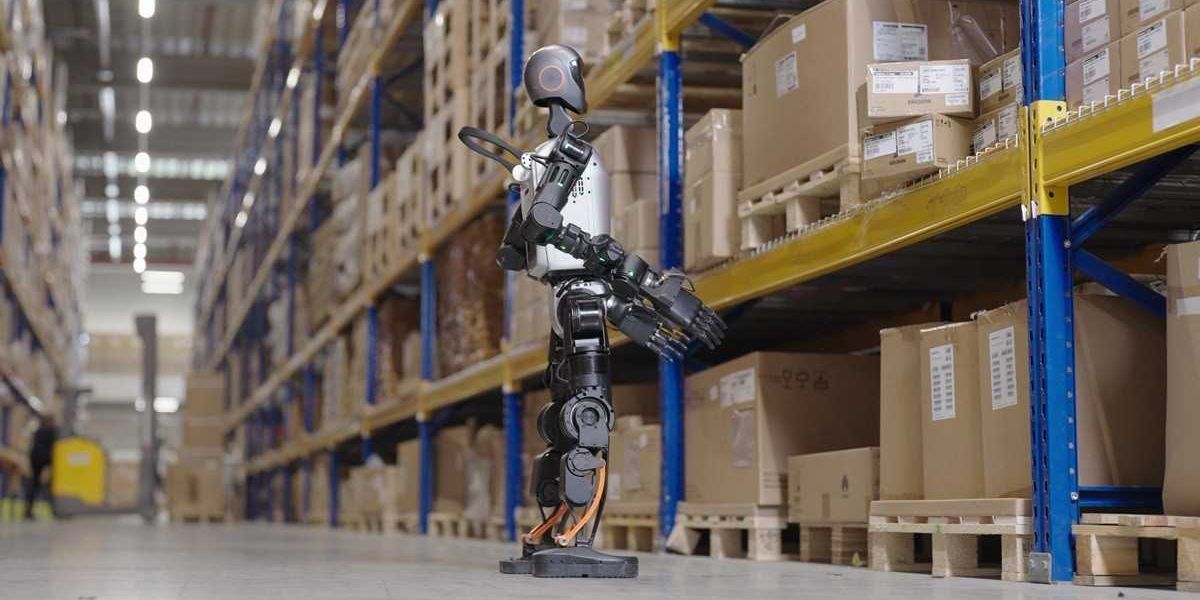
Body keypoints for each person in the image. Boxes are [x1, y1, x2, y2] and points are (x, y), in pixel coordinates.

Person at [25, 414, 57, 520]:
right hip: (44, 460)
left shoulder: (38, 431)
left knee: (34, 485)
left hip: (35, 460)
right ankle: (54, 510)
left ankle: (28, 511)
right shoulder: (50, 431)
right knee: (49, 486)